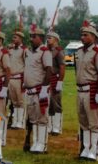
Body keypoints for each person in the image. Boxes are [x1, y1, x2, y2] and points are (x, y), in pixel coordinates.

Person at [75, 21, 98, 161]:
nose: (82, 37)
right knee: (83, 121)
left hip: (91, 90)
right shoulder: (79, 52)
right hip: (80, 90)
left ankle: (94, 150)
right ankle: (86, 148)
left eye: (85, 35)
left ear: (93, 37)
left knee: (94, 122)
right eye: (81, 35)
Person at [23, 25, 53, 153]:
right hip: (29, 91)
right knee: (33, 119)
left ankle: (42, 144)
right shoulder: (28, 52)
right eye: (30, 36)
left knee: (41, 118)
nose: (31, 39)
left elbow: (49, 70)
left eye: (33, 36)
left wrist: (45, 88)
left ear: (40, 38)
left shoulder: (45, 52)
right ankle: (35, 142)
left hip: (40, 89)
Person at [47, 30, 65, 135]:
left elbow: (62, 67)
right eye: (47, 38)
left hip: (55, 78)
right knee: (48, 103)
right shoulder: (47, 51)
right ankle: (49, 126)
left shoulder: (58, 51)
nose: (48, 40)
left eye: (50, 38)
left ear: (56, 40)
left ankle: (57, 127)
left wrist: (60, 82)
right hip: (47, 79)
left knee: (56, 104)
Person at [8, 29, 27, 129]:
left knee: (21, 101)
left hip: (19, 78)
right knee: (14, 101)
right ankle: (15, 121)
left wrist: (25, 80)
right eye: (13, 37)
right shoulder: (11, 50)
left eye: (15, 37)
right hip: (11, 78)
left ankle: (21, 122)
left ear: (20, 38)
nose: (13, 39)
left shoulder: (24, 50)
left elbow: (26, 65)